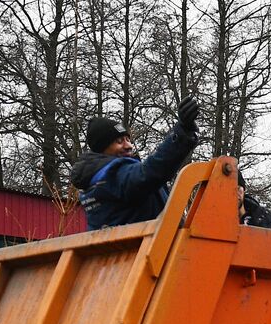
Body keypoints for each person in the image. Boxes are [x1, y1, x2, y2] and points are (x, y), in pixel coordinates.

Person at [71, 97, 200, 230]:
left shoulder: (95, 184)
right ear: (102, 148)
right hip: (148, 249)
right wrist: (182, 133)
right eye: (119, 141)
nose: (129, 146)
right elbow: (151, 172)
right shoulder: (114, 174)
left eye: (128, 139)